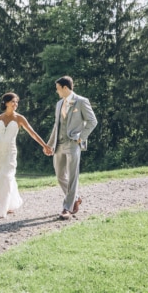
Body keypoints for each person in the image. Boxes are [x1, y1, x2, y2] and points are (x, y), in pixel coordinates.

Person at [0, 92, 52, 219]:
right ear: (5, 103)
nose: (15, 104)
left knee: (6, 176)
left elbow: (32, 133)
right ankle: (1, 203)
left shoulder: (20, 118)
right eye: (13, 101)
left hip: (10, 152)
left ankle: (1, 208)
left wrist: (45, 145)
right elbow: (0, 136)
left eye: (17, 102)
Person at [44, 76, 97, 220]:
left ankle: (67, 208)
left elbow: (92, 121)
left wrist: (81, 137)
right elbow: (57, 125)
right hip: (58, 144)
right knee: (60, 175)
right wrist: (48, 144)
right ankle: (76, 198)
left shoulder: (81, 101)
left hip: (73, 143)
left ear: (65, 88)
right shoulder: (59, 104)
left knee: (73, 176)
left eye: (58, 89)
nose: (57, 92)